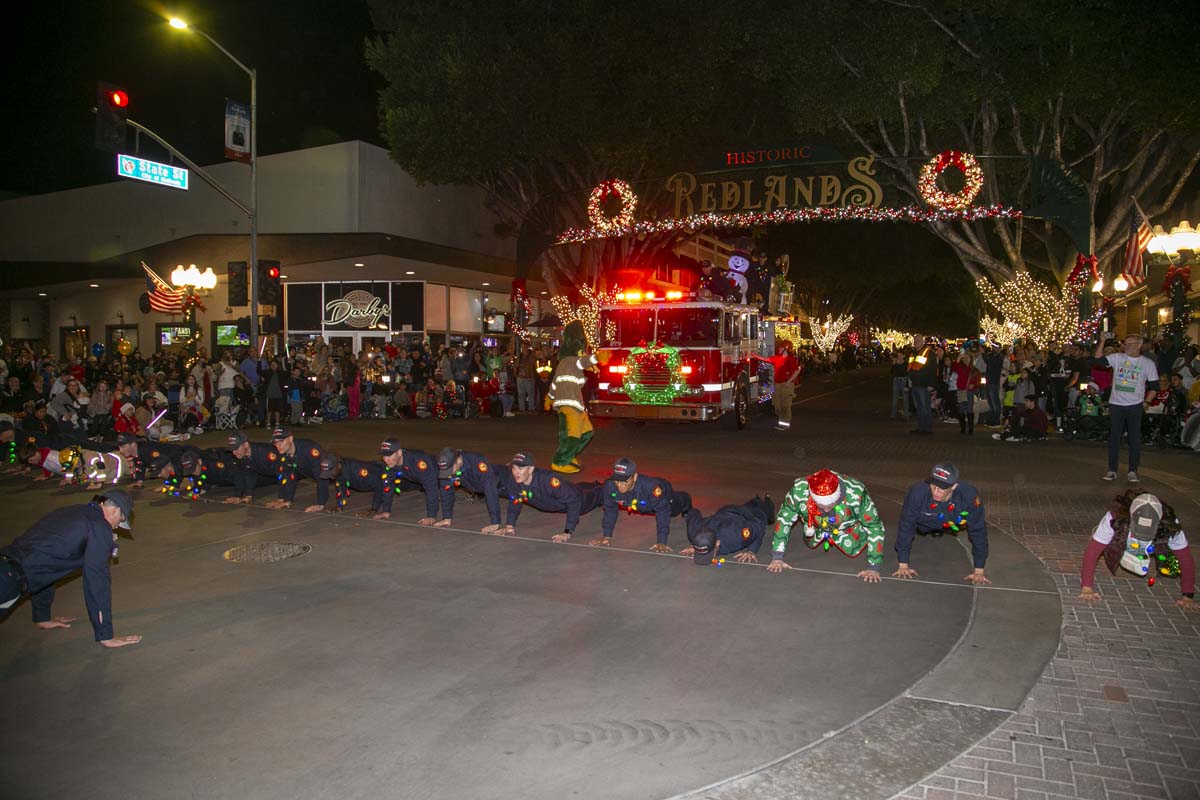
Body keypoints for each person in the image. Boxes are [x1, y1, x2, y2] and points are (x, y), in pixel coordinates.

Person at [0, 489, 142, 648]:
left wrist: (43, 616)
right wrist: (106, 636)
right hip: (8, 581)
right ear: (115, 510)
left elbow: (48, 564)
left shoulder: (70, 511)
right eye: (120, 521)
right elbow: (96, 581)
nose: (116, 528)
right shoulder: (99, 527)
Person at [1078, 491, 1195, 611]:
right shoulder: (1113, 518)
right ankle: (1103, 535)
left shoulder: (1171, 524)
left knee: (1170, 564)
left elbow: (1185, 557)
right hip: (1121, 540)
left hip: (1154, 543)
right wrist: (1087, 588)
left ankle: (1147, 554)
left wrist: (1188, 595)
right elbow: (1092, 553)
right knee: (1104, 545)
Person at [767, 468, 886, 582]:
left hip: (849, 533)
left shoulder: (857, 494)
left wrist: (873, 567)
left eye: (831, 505)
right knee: (810, 533)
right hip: (815, 528)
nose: (827, 510)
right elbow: (784, 520)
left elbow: (875, 527)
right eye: (821, 506)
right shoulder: (799, 492)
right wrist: (777, 557)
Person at [893, 463, 990, 585]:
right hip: (924, 522)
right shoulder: (917, 493)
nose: (936, 491)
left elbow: (978, 531)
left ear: (954, 486)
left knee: (971, 525)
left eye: (942, 488)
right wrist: (903, 564)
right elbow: (906, 526)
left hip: (953, 521)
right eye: (933, 485)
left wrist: (979, 570)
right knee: (911, 526)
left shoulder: (969, 495)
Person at [1093, 334, 1158, 482]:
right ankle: (1112, 470)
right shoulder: (1117, 358)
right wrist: (1102, 341)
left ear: (1139, 345)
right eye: (1125, 344)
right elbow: (1097, 360)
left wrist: (1146, 402)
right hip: (1116, 404)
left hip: (1135, 405)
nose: (1127, 347)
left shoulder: (1147, 363)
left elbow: (1154, 387)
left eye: (1131, 344)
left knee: (1134, 439)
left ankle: (1133, 470)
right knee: (1114, 438)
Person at [548, 321, 608, 472]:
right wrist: (597, 357)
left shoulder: (564, 362)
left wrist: (549, 397)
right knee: (573, 435)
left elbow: (555, 383)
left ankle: (569, 455)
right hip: (570, 405)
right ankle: (560, 461)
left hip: (574, 405)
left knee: (586, 432)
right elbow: (584, 361)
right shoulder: (572, 361)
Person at [596, 457, 692, 552]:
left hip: (661, 495)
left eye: (624, 481)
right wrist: (606, 536)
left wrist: (661, 541)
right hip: (639, 502)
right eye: (617, 480)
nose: (620, 485)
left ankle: (685, 498)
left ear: (634, 477)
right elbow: (610, 509)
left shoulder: (652, 488)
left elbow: (663, 511)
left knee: (674, 510)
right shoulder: (610, 485)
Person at [500, 451, 602, 540]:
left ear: (531, 469)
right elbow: (515, 501)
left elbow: (574, 502)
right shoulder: (513, 481)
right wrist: (509, 526)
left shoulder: (548, 481)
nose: (516, 472)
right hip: (564, 492)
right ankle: (593, 484)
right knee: (578, 488)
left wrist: (567, 532)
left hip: (577, 500)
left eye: (520, 468)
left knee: (597, 494)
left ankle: (604, 487)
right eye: (514, 468)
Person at [681, 496, 775, 565]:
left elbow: (759, 523)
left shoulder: (736, 536)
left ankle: (766, 501)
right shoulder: (694, 533)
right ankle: (755, 500)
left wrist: (752, 550)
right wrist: (697, 546)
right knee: (750, 503)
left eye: (709, 552)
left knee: (763, 510)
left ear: (717, 543)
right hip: (722, 512)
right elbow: (693, 513)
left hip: (743, 514)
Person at [434, 447, 503, 533]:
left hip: (501, 485)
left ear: (458, 461)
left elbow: (490, 490)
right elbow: (446, 489)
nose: (449, 473)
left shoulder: (477, 462)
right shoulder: (449, 466)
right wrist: (447, 517)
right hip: (478, 487)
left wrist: (495, 522)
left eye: (450, 470)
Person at [262, 427, 330, 512]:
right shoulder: (283, 452)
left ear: (290, 439)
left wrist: (320, 503)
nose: (278, 445)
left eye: (281, 441)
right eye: (275, 442)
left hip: (334, 472)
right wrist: (285, 499)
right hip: (310, 472)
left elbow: (322, 474)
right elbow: (287, 475)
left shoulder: (309, 449)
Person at [375, 437, 440, 523]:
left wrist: (431, 516)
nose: (387, 459)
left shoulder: (418, 461)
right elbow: (388, 486)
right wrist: (386, 510)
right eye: (384, 455)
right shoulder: (390, 464)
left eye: (390, 455)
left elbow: (431, 486)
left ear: (399, 452)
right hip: (417, 478)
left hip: (441, 474)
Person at [224, 431, 285, 504]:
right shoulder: (242, 456)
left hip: (292, 468)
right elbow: (249, 474)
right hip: (271, 473)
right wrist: (246, 495)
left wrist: (282, 498)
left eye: (236, 449)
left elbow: (283, 472)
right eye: (232, 449)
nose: (234, 453)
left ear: (246, 444)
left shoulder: (265, 453)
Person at [766, 341, 801, 431]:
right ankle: (782, 422)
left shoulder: (790, 359)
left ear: (786, 348)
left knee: (785, 405)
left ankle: (784, 424)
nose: (779, 349)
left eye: (781, 347)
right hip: (777, 385)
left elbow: (797, 371)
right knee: (777, 405)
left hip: (786, 385)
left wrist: (789, 382)